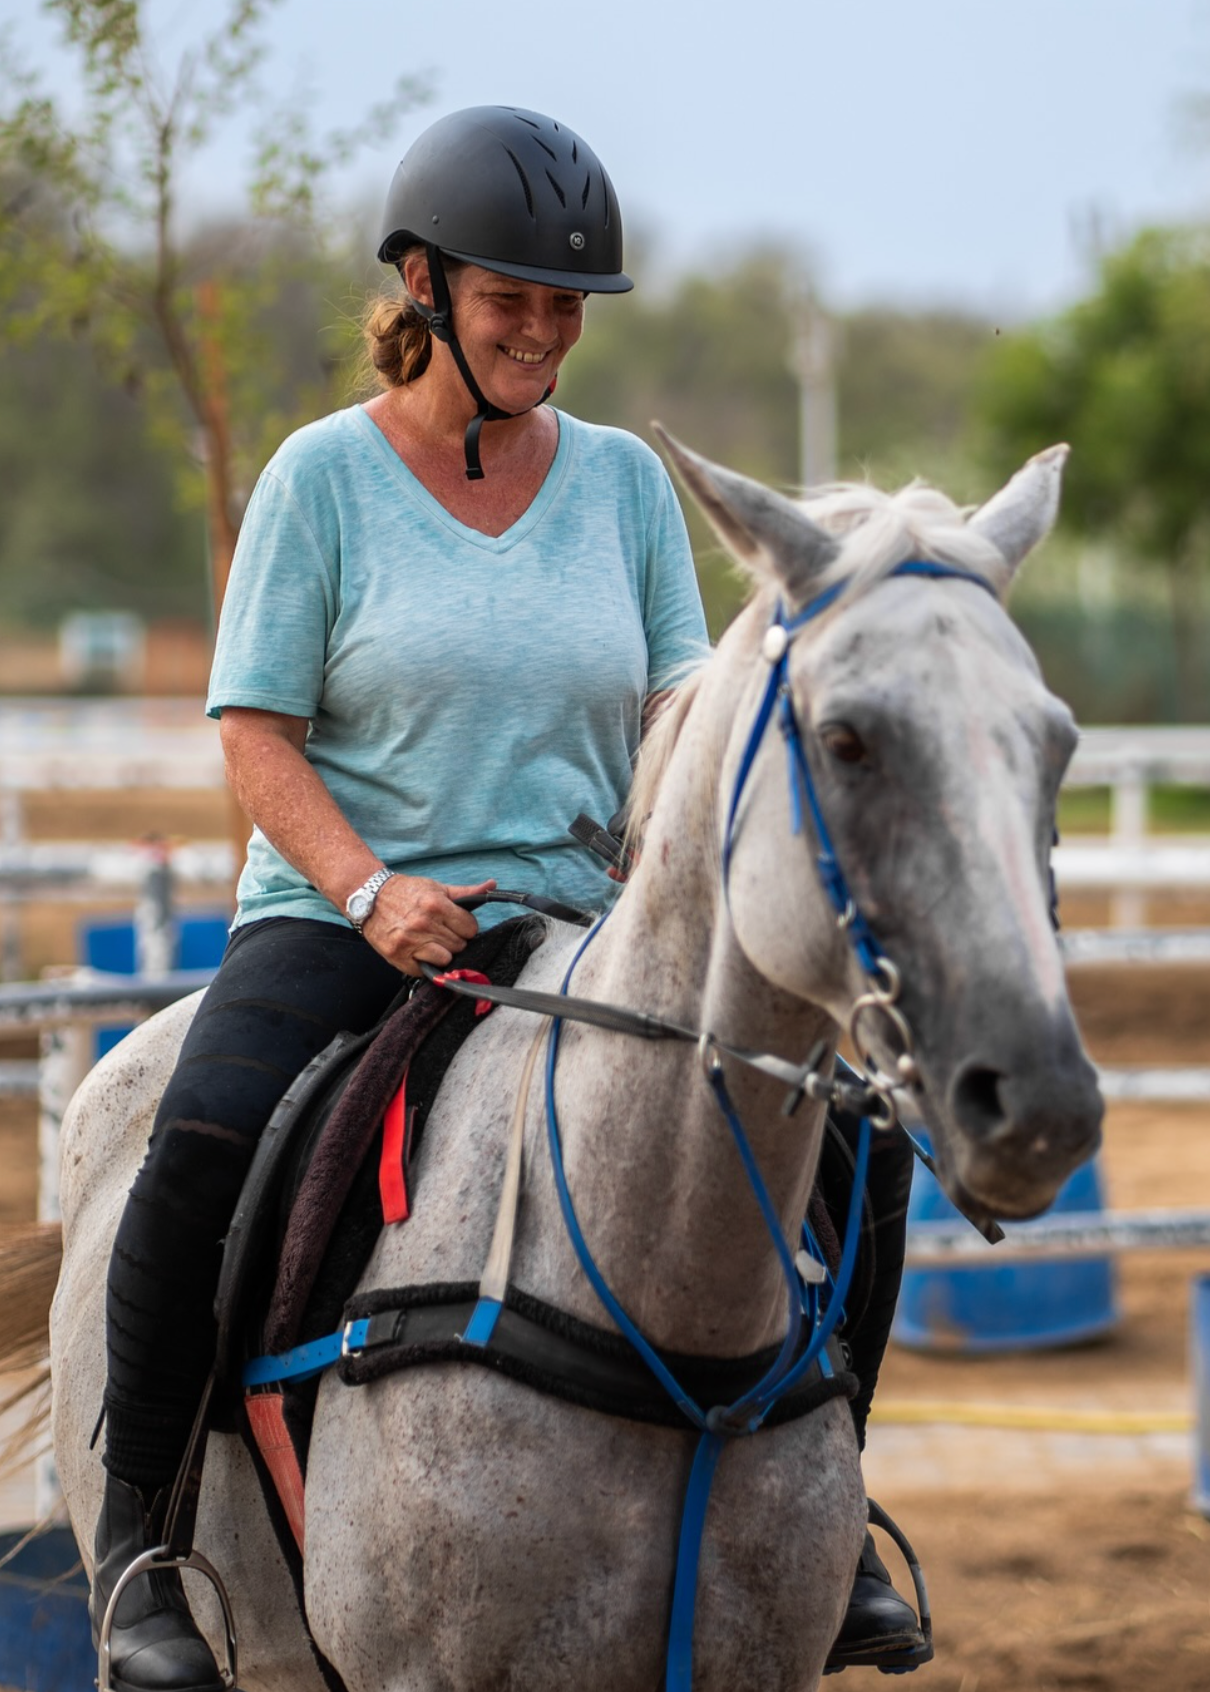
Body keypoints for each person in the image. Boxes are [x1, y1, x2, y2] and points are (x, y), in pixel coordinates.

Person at [88, 105, 923, 1692]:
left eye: (564, 305)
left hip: (579, 921)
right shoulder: (320, 479)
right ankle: (148, 1542)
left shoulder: (618, 486)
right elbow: (254, 735)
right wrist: (366, 888)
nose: (541, 330)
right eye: (508, 299)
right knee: (199, 1142)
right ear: (423, 286)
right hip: (348, 916)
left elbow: (676, 705)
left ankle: (837, 1499)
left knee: (852, 1131)